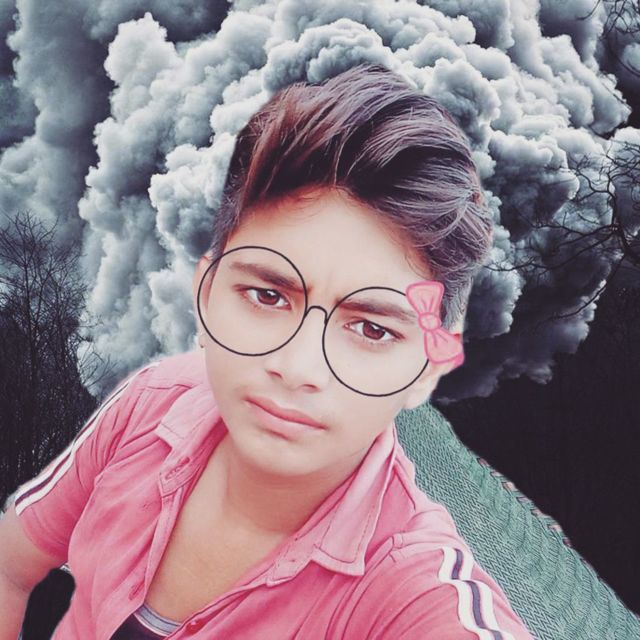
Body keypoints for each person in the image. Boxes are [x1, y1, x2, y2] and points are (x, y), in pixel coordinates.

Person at [0, 63, 535, 639]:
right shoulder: (150, 404)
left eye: (372, 329)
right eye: (268, 295)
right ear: (206, 293)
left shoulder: (412, 594)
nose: (299, 368)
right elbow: (9, 565)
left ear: (427, 367)